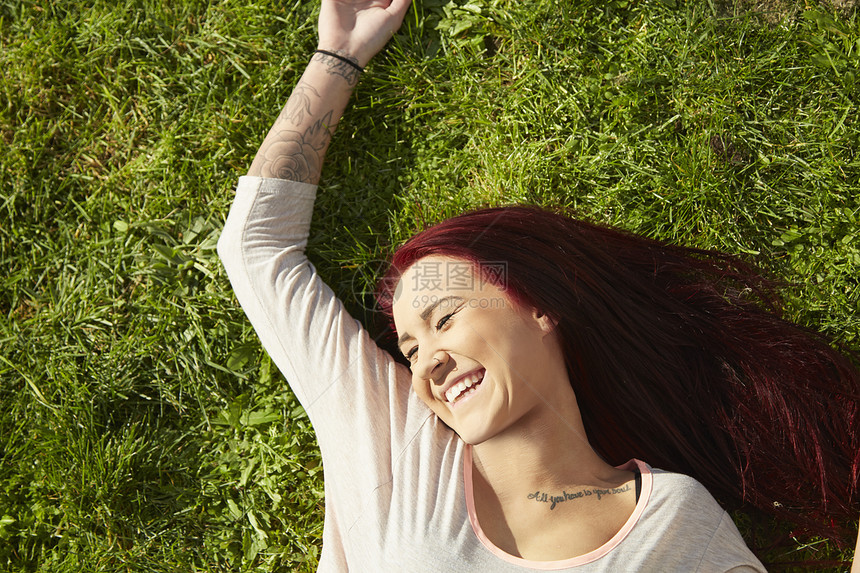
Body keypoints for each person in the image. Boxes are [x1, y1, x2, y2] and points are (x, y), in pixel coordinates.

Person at [217, 0, 859, 570]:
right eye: (409, 350)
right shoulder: (398, 446)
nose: (426, 365)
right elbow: (255, 250)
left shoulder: (668, 520)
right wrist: (338, 56)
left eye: (443, 319)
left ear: (541, 307)